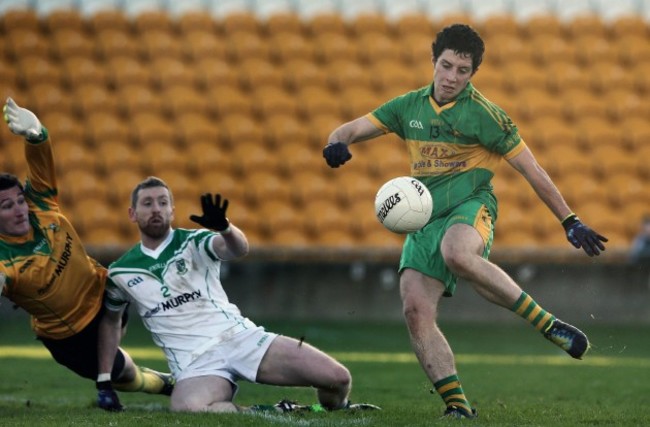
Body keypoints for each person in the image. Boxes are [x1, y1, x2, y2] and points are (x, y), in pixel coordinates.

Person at [322, 24, 608, 419]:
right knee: (415, 310)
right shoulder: (408, 106)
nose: (452, 77)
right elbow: (350, 128)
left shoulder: (486, 115)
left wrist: (569, 220)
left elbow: (532, 169)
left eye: (463, 70)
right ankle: (457, 407)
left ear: (473, 73)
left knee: (456, 252)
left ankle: (547, 324)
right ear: (434, 62)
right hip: (423, 216)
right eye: (447, 66)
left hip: (471, 206)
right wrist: (336, 143)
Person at [97, 177, 379, 413]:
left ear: (172, 210)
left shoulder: (194, 242)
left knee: (338, 379)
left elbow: (237, 249)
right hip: (195, 362)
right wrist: (104, 380)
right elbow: (111, 323)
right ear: (132, 213)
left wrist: (225, 228)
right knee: (187, 407)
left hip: (240, 338)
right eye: (147, 203)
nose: (156, 209)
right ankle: (274, 410)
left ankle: (330, 410)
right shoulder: (120, 272)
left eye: (162, 202)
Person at [0, 98, 174, 412]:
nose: (19, 209)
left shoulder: (41, 205)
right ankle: (167, 384)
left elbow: (40, 165)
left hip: (105, 296)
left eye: (19, 201)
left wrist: (37, 134)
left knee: (134, 281)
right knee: (126, 375)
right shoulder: (5, 260)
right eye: (6, 206)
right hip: (70, 335)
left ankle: (201, 360)